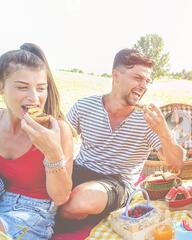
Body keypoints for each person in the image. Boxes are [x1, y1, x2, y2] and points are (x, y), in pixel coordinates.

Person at [57, 49, 184, 230]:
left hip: (117, 183)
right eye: (137, 78)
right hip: (79, 169)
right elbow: (61, 139)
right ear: (116, 76)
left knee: (79, 202)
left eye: (147, 81)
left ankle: (51, 220)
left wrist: (164, 132)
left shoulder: (147, 119)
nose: (143, 86)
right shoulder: (84, 106)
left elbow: (177, 164)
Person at [0, 43, 73, 240]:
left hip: (34, 213)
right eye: (23, 87)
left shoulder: (57, 130)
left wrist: (52, 152)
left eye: (41, 89)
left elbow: (60, 197)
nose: (34, 98)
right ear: (1, 86)